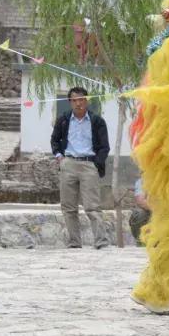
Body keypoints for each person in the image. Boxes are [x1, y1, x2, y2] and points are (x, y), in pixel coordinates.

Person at [50, 86, 111, 249]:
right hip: (68, 163)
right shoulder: (63, 119)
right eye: (75, 100)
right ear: (70, 102)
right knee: (68, 207)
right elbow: (54, 140)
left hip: (89, 164)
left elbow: (105, 146)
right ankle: (74, 242)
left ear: (87, 100)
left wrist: (96, 163)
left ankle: (101, 241)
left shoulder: (97, 121)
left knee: (92, 206)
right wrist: (59, 157)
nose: (79, 103)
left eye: (82, 99)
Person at [129, 178, 152, 246]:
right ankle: (141, 241)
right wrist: (159, 209)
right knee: (139, 214)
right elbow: (141, 201)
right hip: (153, 210)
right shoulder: (142, 181)